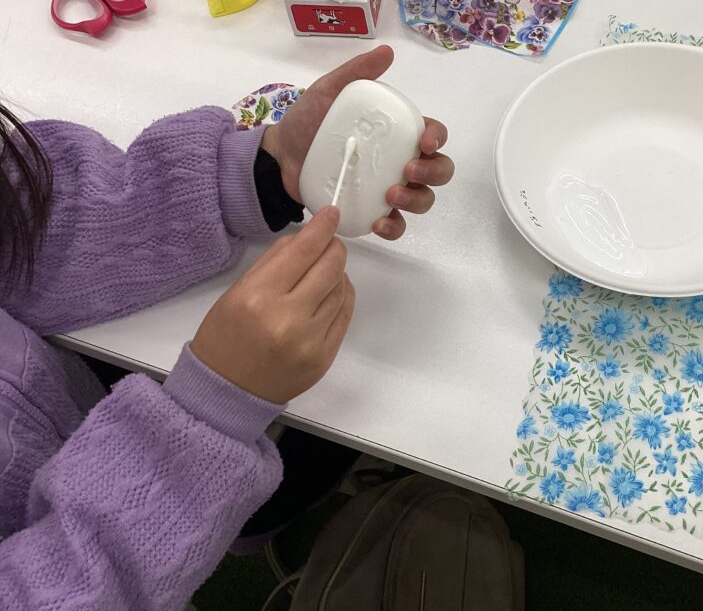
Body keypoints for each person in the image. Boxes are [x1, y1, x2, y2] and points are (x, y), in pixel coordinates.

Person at [0, 46, 454, 610]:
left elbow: (22, 220)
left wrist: (262, 175)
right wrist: (208, 416)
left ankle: (251, 524)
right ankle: (255, 526)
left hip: (69, 408)